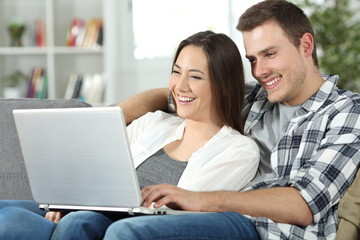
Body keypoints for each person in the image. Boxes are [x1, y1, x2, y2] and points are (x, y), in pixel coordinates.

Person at [96, 0, 359, 239]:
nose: (260, 71)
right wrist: (104, 121)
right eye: (253, 59)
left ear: (306, 46)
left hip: (265, 230)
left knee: (127, 231)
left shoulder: (345, 112)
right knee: (83, 222)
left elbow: (304, 205)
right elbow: (175, 95)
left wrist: (200, 200)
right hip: (218, 217)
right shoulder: (254, 95)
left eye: (270, 54)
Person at [0, 31, 260, 240]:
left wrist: (82, 208)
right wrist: (68, 199)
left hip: (116, 222)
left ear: (224, 87)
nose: (180, 86)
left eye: (195, 76)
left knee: (79, 221)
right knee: (7, 212)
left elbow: (184, 207)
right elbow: (97, 167)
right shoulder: (153, 122)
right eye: (176, 72)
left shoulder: (238, 149)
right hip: (87, 209)